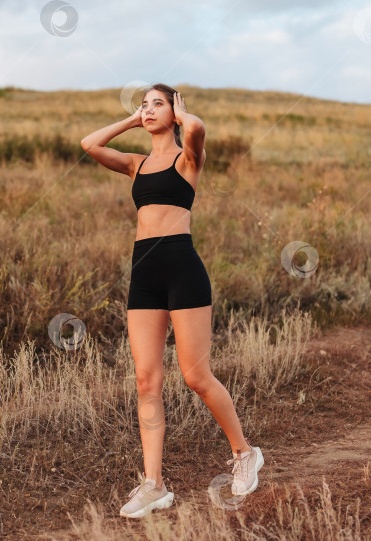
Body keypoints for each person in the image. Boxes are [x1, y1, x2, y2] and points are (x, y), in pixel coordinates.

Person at [80, 84, 263, 519]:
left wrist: (183, 116)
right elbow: (89, 144)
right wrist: (132, 118)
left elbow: (197, 129)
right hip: (144, 274)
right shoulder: (136, 165)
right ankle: (154, 485)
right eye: (143, 105)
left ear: (176, 110)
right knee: (146, 381)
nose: (147, 110)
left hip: (183, 270)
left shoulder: (188, 159)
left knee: (196, 376)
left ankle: (245, 453)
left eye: (156, 103)